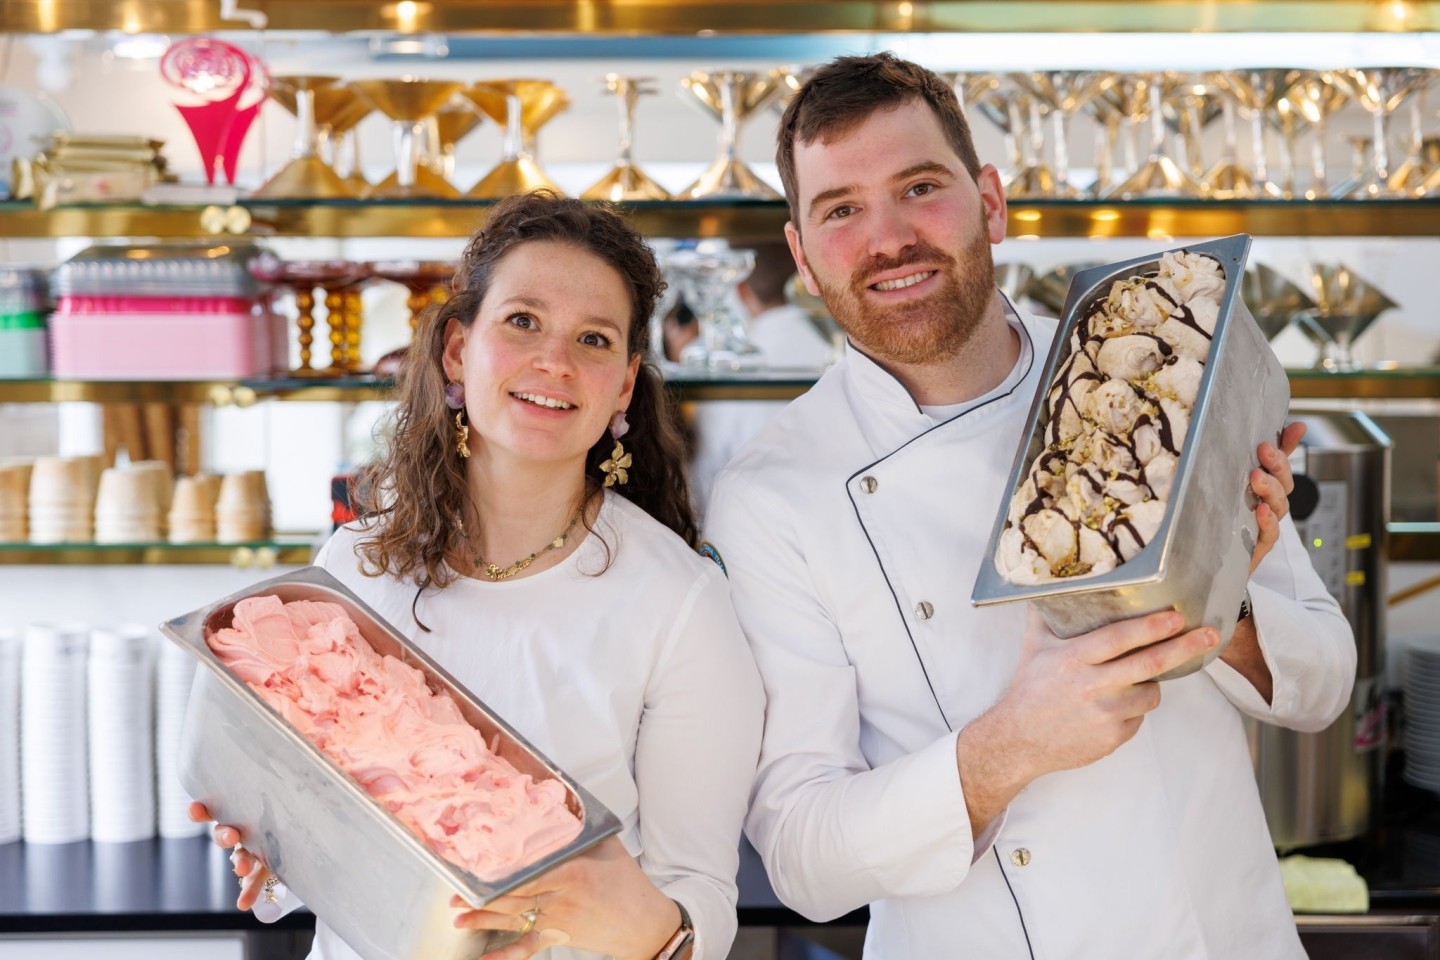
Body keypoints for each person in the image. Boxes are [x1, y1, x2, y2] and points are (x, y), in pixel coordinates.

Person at [703, 54, 1355, 959]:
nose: (889, 238)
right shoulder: (771, 494)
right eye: (841, 209)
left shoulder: (1151, 358)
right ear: (804, 257)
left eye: (920, 186)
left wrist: (1215, 597)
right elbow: (804, 862)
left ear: (993, 203)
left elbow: (1325, 683)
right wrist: (1009, 747)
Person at [193, 191, 764, 960]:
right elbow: (323, 845)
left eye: (593, 339)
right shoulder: (353, 565)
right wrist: (279, 854)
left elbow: (701, 898)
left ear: (624, 385)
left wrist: (638, 926)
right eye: (522, 321)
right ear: (459, 351)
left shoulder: (680, 605)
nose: (554, 362)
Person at [685, 239, 832, 515]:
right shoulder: (838, 349)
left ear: (740, 290)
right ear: (806, 275)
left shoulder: (723, 368)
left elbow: (705, 484)